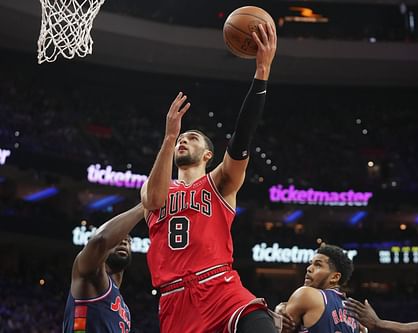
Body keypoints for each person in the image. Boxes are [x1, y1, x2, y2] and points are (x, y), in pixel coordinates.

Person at [141, 23, 279, 333]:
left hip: (220, 286)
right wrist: (168, 137)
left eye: (191, 138)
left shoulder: (219, 183)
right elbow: (152, 200)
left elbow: (242, 139)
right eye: (181, 139)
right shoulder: (156, 186)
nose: (182, 141)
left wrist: (262, 71)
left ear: (208, 155)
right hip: (174, 299)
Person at [63, 203, 144, 333]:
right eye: (117, 239)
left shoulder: (124, 308)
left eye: (128, 240)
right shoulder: (92, 275)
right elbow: (101, 240)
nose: (123, 241)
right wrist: (145, 206)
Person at [275, 244, 364, 333]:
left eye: (318, 265)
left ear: (335, 277)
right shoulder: (354, 315)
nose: (309, 268)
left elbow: (276, 330)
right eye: (311, 264)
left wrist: (276, 314)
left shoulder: (306, 294)